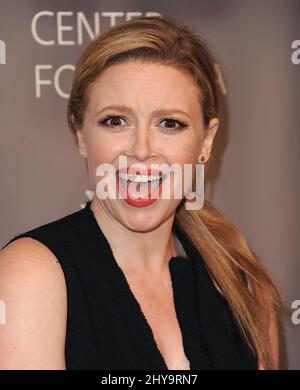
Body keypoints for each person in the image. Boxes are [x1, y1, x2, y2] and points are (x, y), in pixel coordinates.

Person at [0, 15, 286, 370]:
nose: (141, 149)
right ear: (80, 135)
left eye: (170, 123)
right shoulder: (32, 275)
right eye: (116, 121)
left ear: (206, 141)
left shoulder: (242, 283)